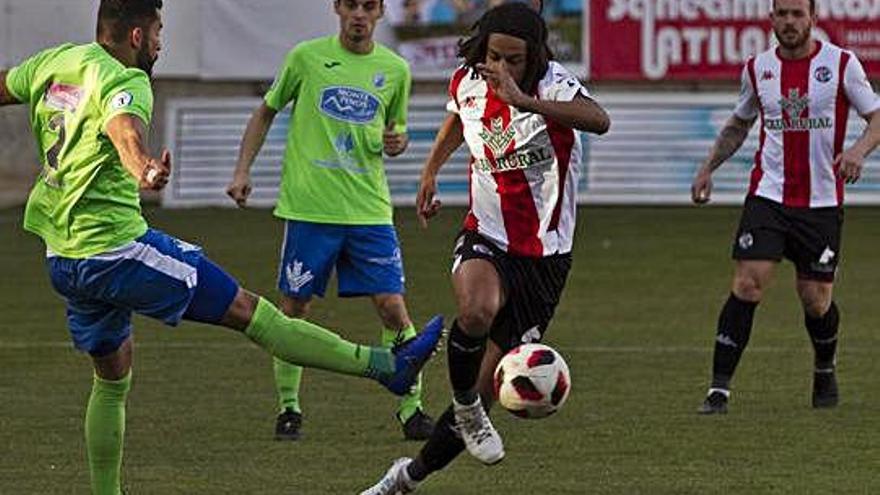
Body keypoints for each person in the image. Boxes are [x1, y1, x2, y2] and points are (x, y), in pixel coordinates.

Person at [0, 1, 444, 493]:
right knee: (251, 312)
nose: (161, 42)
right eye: (158, 31)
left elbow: (6, 85)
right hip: (118, 252)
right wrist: (144, 167)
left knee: (113, 376)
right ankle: (389, 367)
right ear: (135, 37)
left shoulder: (55, 62)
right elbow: (123, 130)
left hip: (65, 258)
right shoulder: (127, 81)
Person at [359, 3, 610, 493]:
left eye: (514, 59)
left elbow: (598, 120)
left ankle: (405, 478)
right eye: (495, 56)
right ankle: (468, 407)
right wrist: (430, 172)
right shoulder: (468, 80)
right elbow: (457, 119)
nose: (502, 68)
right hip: (486, 233)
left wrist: (525, 101)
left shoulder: (553, 85)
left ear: (533, 57)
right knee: (476, 311)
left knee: (488, 383)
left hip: (546, 256)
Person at [226, 0, 435, 442]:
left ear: (379, 13)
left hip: (369, 211)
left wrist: (398, 142)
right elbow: (266, 110)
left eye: (369, 6)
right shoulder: (305, 57)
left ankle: (412, 410)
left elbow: (393, 133)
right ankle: (289, 409)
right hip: (309, 210)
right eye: (352, 5)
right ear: (337, 8)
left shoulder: (395, 70)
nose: (359, 14)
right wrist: (242, 170)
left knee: (393, 308)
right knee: (294, 310)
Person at [691, 0, 880, 414]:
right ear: (771, 18)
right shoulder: (758, 69)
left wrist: (859, 151)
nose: (790, 22)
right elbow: (740, 124)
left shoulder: (842, 64)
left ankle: (824, 366)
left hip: (822, 202)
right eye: (782, 13)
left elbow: (877, 115)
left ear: (813, 18)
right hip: (769, 197)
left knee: (815, 300)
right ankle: (719, 389)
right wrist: (707, 169)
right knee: (747, 283)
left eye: (798, 14)